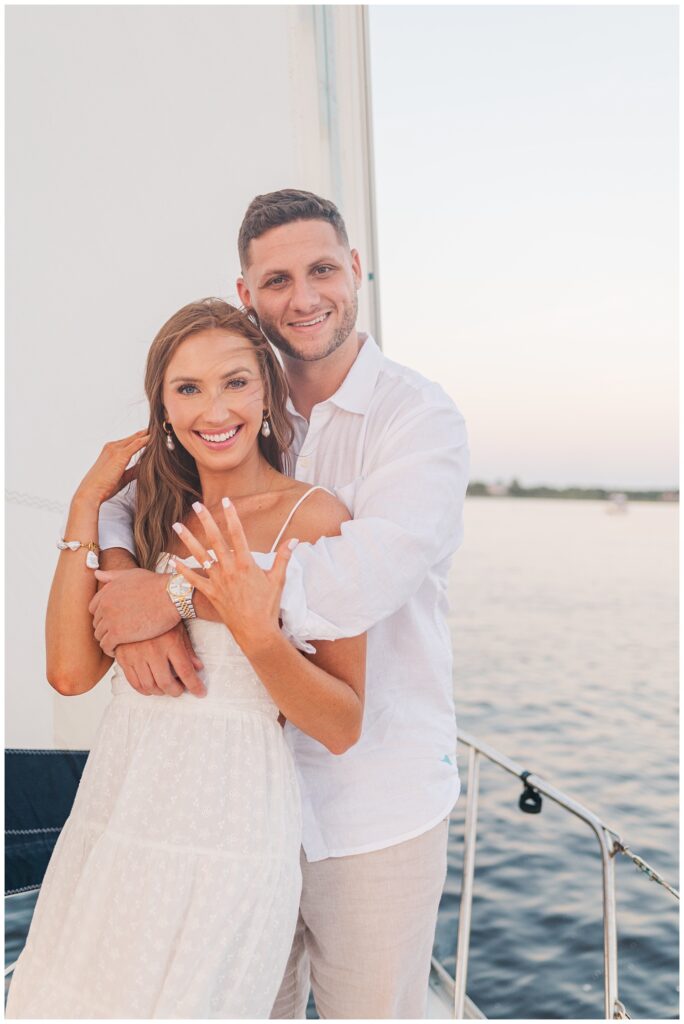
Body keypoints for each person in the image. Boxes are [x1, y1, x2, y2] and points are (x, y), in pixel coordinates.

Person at [91, 189, 470, 1019]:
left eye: (322, 270)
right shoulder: (241, 410)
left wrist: (175, 593)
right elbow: (128, 501)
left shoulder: (418, 420)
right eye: (277, 281)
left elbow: (358, 579)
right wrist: (123, 581)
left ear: (357, 272)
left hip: (371, 801)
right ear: (246, 295)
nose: (303, 298)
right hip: (235, 802)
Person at [5, 300, 365, 1020]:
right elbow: (71, 673)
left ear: (266, 388)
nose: (214, 409)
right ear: (162, 407)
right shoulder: (143, 512)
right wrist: (86, 500)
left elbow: (341, 723)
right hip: (119, 811)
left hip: (230, 831)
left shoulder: (315, 518)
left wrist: (247, 626)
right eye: (188, 389)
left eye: (234, 382)